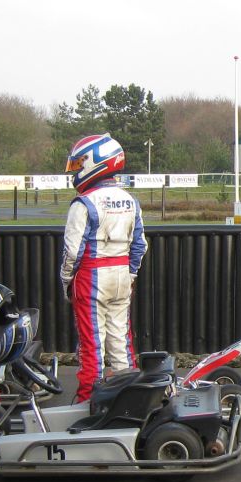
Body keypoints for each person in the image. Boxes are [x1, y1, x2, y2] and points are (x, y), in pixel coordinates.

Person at [60, 133, 148, 403]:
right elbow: (140, 245)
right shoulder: (130, 200)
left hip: (91, 276)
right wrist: (130, 275)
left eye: (78, 164)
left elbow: (72, 251)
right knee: (121, 342)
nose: (75, 171)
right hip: (122, 274)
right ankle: (128, 402)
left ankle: (87, 402)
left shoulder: (83, 203)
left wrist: (67, 280)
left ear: (95, 162)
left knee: (92, 345)